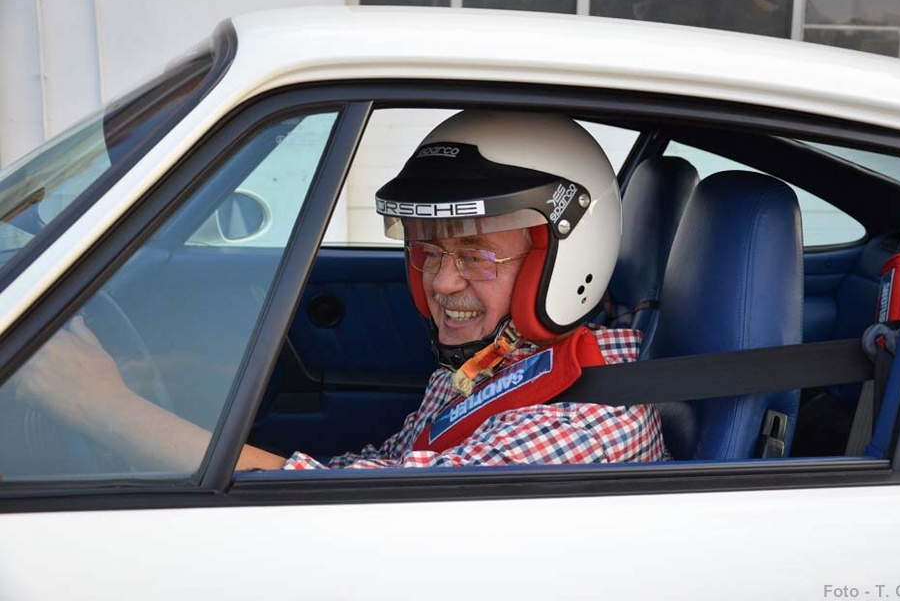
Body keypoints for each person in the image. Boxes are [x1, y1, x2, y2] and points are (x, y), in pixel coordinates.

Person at [14, 110, 667, 471]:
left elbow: (345, 514)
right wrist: (187, 376)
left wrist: (106, 409)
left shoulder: (578, 424)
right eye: (428, 250)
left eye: (475, 255)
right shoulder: (497, 362)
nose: (443, 283)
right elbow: (392, 460)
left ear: (563, 257)